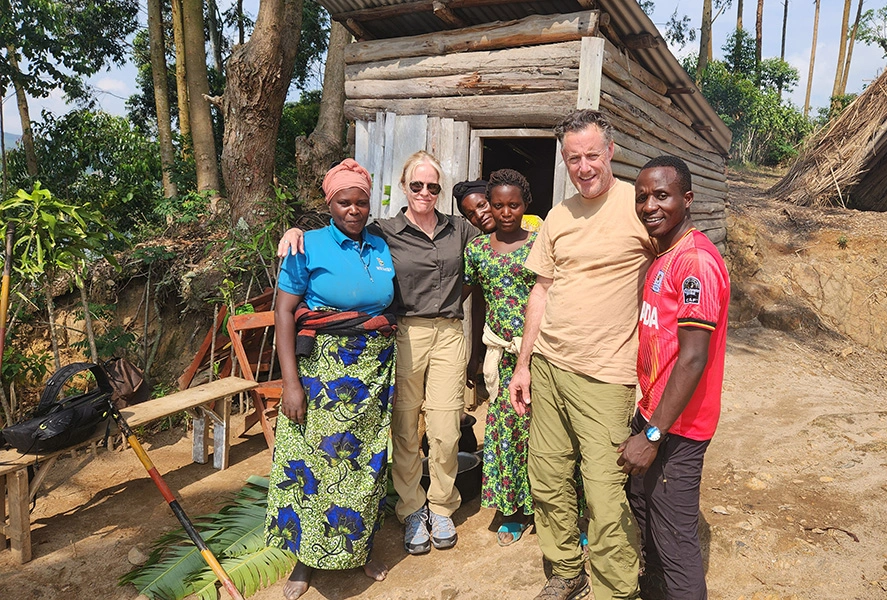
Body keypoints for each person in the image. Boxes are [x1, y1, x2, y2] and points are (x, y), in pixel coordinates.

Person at [279, 151, 478, 556]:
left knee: (445, 428)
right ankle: (410, 509)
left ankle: (441, 505)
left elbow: (490, 253)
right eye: (417, 185)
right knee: (405, 427)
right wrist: (295, 229)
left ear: (441, 190)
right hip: (404, 333)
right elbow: (341, 227)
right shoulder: (384, 231)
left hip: (450, 334)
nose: (425, 192)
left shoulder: (459, 229)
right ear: (404, 187)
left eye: (433, 186)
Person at [509, 109, 654, 600]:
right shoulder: (559, 215)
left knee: (605, 494)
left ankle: (618, 590)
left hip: (608, 374)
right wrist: (524, 364)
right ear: (564, 160)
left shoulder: (640, 205)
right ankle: (567, 570)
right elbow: (541, 292)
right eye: (575, 158)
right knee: (547, 478)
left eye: (593, 154)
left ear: (610, 152)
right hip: (549, 367)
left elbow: (674, 269)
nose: (585, 166)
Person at [266, 159, 397, 600]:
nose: (354, 210)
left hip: (374, 370)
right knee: (315, 465)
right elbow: (284, 312)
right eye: (345, 202)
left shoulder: (381, 247)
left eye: (361, 201)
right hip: (322, 372)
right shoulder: (307, 246)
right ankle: (304, 561)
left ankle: (360, 549)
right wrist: (291, 383)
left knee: (366, 466)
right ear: (330, 204)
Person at [619, 157, 730, 600]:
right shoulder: (664, 254)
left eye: (661, 195)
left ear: (687, 199)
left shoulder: (696, 262)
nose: (649, 205)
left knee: (676, 542)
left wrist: (652, 434)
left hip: (678, 428)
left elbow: (692, 359)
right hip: (656, 414)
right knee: (647, 518)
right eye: (642, 196)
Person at [463, 169, 539, 545]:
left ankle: (554, 508)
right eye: (498, 205)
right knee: (506, 433)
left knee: (548, 435)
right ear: (489, 206)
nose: (506, 212)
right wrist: (475, 355)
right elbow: (477, 300)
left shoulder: (541, 243)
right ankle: (511, 511)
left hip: (541, 355)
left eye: (514, 205)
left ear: (526, 206)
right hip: (501, 357)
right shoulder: (477, 249)